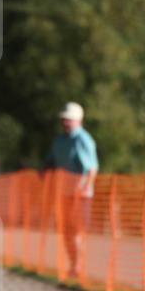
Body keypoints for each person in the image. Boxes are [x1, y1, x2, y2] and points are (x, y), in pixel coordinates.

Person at [44, 102, 98, 279]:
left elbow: (92, 169)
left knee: (77, 231)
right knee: (67, 232)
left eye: (69, 120)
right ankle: (74, 265)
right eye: (64, 119)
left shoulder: (83, 140)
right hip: (64, 193)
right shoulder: (60, 141)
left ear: (78, 120)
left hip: (81, 195)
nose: (66, 123)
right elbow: (50, 161)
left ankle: (78, 266)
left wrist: (84, 188)